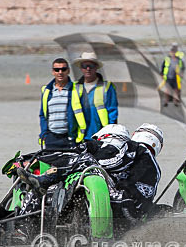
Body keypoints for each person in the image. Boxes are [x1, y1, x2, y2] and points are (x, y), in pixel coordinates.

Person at [21, 123, 164, 219]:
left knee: (87, 160)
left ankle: (44, 181)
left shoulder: (135, 150)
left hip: (121, 203)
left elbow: (106, 162)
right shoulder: (154, 168)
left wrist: (33, 159)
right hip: (135, 214)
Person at [39, 58, 86, 149]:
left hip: (70, 138)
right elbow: (42, 115)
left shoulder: (76, 89)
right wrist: (44, 134)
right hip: (51, 138)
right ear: (53, 72)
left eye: (63, 69)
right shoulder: (46, 91)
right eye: (57, 70)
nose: (60, 72)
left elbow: (85, 113)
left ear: (68, 71)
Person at [73, 51, 118, 140]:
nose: (88, 69)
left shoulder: (107, 87)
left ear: (96, 67)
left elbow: (113, 113)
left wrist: (111, 134)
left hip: (102, 138)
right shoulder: (74, 87)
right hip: (80, 138)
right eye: (85, 66)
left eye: (91, 66)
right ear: (81, 68)